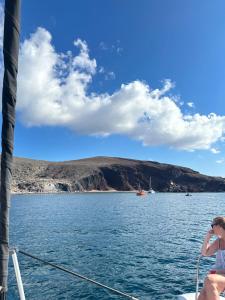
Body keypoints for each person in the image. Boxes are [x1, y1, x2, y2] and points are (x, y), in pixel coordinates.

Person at [198, 217, 225, 300]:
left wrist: (216, 272)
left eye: (212, 225)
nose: (211, 228)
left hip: (220, 274)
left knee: (209, 280)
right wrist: (207, 237)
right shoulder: (219, 241)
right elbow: (204, 253)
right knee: (202, 296)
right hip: (220, 275)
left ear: (218, 226)